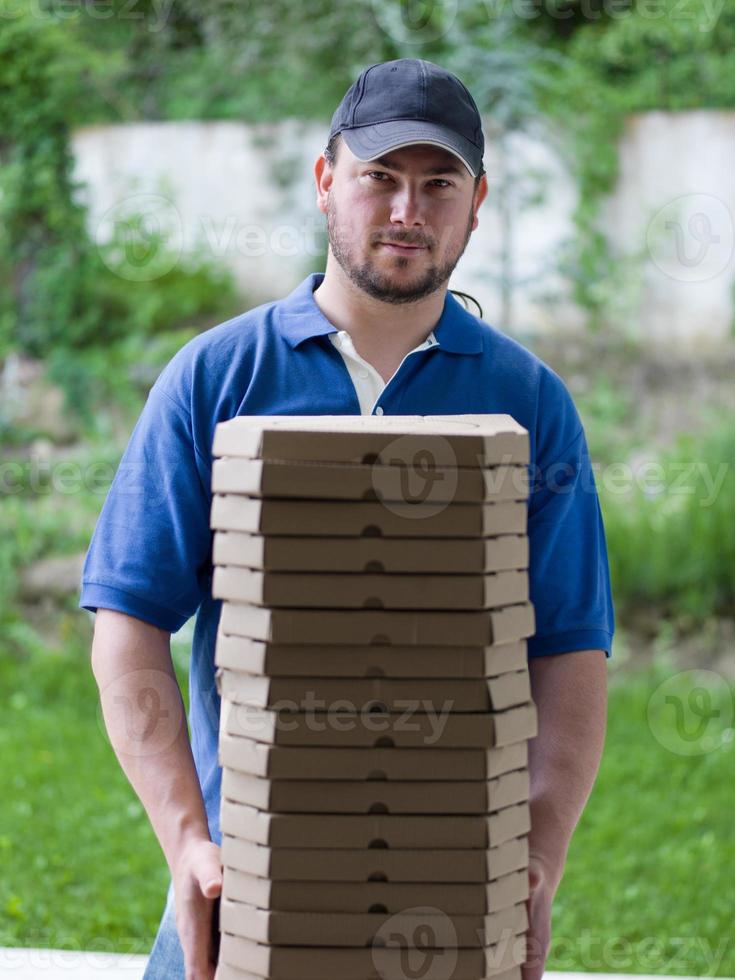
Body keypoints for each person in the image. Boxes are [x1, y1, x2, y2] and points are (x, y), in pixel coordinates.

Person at [80, 58, 614, 980]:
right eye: (379, 177)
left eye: (437, 183)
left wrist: (536, 857)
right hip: (240, 898)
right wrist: (185, 843)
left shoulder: (527, 402)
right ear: (327, 181)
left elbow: (568, 649)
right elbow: (128, 621)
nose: (407, 210)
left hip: (451, 910)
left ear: (476, 202)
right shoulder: (217, 379)